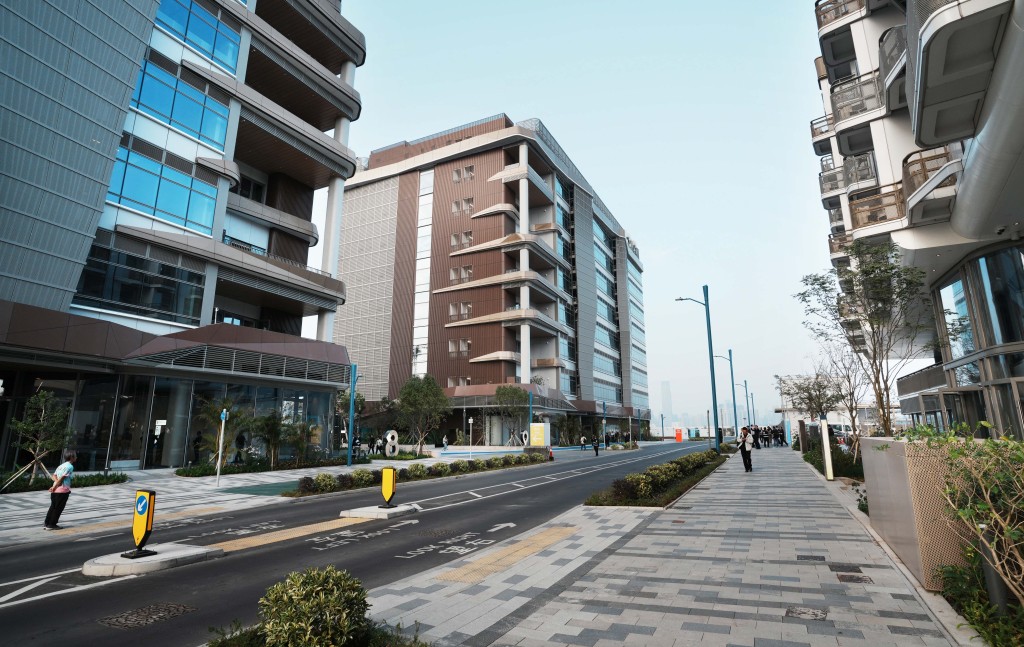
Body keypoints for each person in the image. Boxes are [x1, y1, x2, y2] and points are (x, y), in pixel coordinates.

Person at [44, 449, 77, 530]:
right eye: (75, 456)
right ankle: (52, 525)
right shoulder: (70, 466)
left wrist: (55, 485)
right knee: (58, 508)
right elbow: (62, 478)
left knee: (53, 506)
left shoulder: (61, 466)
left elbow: (54, 476)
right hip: (62, 490)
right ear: (71, 457)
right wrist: (56, 486)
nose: (76, 457)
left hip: (56, 490)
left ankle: (47, 523)